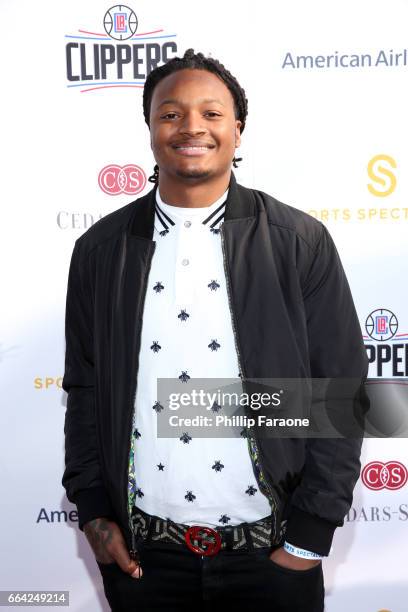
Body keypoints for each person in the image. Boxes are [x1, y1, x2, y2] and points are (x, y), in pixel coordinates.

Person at [61, 49, 369, 612]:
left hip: (272, 555)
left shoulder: (298, 241)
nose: (192, 127)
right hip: (143, 560)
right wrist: (95, 514)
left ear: (238, 130)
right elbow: (83, 388)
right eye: (171, 114)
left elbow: (340, 391)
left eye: (212, 113)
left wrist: (309, 537)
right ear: (151, 130)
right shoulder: (101, 250)